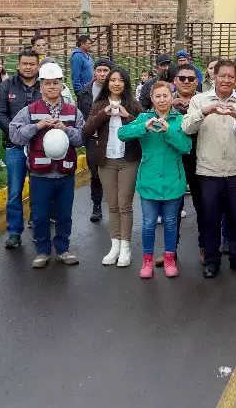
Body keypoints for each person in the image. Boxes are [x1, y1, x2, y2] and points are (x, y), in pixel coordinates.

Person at [181, 59, 236, 278]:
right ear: (214, 76)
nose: (226, 80)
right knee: (209, 217)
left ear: (235, 79)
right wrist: (205, 111)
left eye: (230, 76)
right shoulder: (198, 100)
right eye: (222, 75)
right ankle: (211, 260)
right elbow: (186, 128)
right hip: (208, 171)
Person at [9, 62, 84, 268]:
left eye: (56, 83)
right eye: (47, 83)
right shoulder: (29, 111)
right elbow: (14, 135)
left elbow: (81, 138)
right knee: (40, 215)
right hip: (40, 175)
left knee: (64, 213)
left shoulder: (73, 112)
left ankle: (62, 249)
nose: (52, 87)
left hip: (65, 172)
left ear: (62, 86)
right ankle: (42, 251)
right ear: (40, 86)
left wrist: (66, 129)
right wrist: (37, 126)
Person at [118, 80, 192, 279]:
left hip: (173, 181)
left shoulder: (180, 119)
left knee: (169, 222)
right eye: (157, 96)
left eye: (165, 95)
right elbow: (122, 134)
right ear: (151, 98)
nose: (161, 100)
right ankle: (147, 261)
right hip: (148, 181)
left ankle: (169, 259)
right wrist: (144, 127)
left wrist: (169, 131)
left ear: (172, 97)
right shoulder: (144, 117)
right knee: (149, 223)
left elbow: (186, 147)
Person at [83, 66, 142, 267]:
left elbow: (142, 129)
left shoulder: (133, 104)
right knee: (113, 205)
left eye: (120, 80)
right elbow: (86, 130)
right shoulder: (99, 104)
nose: (116, 83)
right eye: (113, 80)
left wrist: (126, 115)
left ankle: (125, 248)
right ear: (107, 83)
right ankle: (114, 245)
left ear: (126, 83)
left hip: (128, 161)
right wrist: (103, 114)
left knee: (125, 205)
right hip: (106, 161)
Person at [0, 48, 42, 249]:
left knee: (39, 188)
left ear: (37, 65)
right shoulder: (7, 86)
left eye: (32, 64)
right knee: (14, 190)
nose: (28, 67)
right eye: (25, 63)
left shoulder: (44, 86)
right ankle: (14, 231)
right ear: (18, 65)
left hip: (40, 147)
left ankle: (38, 225)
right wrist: (16, 132)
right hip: (14, 147)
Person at [171, 62, 206, 259]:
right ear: (175, 81)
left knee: (203, 205)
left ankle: (205, 246)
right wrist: (169, 108)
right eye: (182, 78)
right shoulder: (165, 101)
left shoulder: (204, 102)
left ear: (197, 81)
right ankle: (171, 250)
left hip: (199, 158)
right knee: (173, 207)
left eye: (191, 79)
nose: (186, 82)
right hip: (174, 159)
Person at [78, 57, 112, 224]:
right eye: (99, 70)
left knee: (113, 173)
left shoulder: (116, 89)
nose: (102, 74)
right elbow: (81, 115)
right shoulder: (86, 91)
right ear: (95, 72)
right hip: (93, 138)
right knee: (95, 174)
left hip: (112, 138)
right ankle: (96, 205)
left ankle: (115, 206)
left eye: (105, 70)